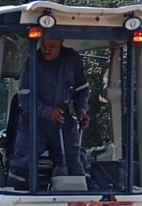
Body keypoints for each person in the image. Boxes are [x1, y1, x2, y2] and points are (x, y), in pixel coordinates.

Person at [11, 37, 90, 183]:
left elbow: (82, 90)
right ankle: (18, 197)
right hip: (33, 123)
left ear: (61, 41)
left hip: (62, 121)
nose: (46, 50)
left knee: (74, 162)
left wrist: (82, 110)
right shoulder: (32, 62)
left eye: (51, 46)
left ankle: (84, 195)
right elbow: (25, 97)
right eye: (44, 46)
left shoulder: (72, 60)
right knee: (23, 165)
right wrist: (47, 112)